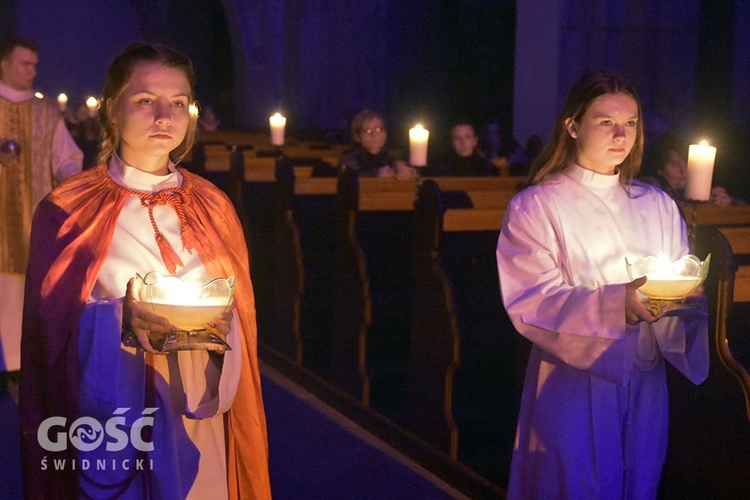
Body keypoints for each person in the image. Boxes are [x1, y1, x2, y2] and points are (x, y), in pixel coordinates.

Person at [20, 42, 271, 499]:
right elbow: (48, 335)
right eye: (144, 100)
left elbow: (242, 325)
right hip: (114, 416)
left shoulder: (213, 205)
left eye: (178, 103)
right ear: (113, 109)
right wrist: (120, 317)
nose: (164, 115)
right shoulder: (67, 210)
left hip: (197, 410)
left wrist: (220, 325)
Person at [496, 72, 708, 499]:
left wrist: (680, 298)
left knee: (639, 478)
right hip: (573, 380)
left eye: (630, 123)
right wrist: (617, 304)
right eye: (606, 121)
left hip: (645, 373)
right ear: (572, 126)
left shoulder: (656, 204)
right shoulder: (537, 205)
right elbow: (532, 298)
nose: (621, 134)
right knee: (576, 482)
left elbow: (683, 285)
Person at [0, 35, 82, 385]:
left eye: (35, 65)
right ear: (4, 64)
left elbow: (68, 159)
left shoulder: (46, 112)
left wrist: (69, 179)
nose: (33, 71)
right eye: (25, 64)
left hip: (32, 219)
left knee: (24, 292)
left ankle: (18, 364)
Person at [640, 131, 745, 206]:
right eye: (674, 164)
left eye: (687, 163)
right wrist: (706, 204)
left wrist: (728, 202)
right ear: (660, 168)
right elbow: (667, 206)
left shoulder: (697, 189)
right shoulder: (650, 185)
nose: (683, 170)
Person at [337, 109, 415, 179]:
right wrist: (383, 173)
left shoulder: (393, 157)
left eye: (378, 129)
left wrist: (407, 172)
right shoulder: (349, 159)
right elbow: (352, 178)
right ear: (357, 136)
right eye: (367, 130)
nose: (373, 135)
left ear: (385, 134)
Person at [430, 121, 499, 176]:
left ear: (474, 141)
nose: (463, 142)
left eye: (467, 137)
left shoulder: (487, 168)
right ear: (452, 142)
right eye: (457, 138)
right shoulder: (442, 169)